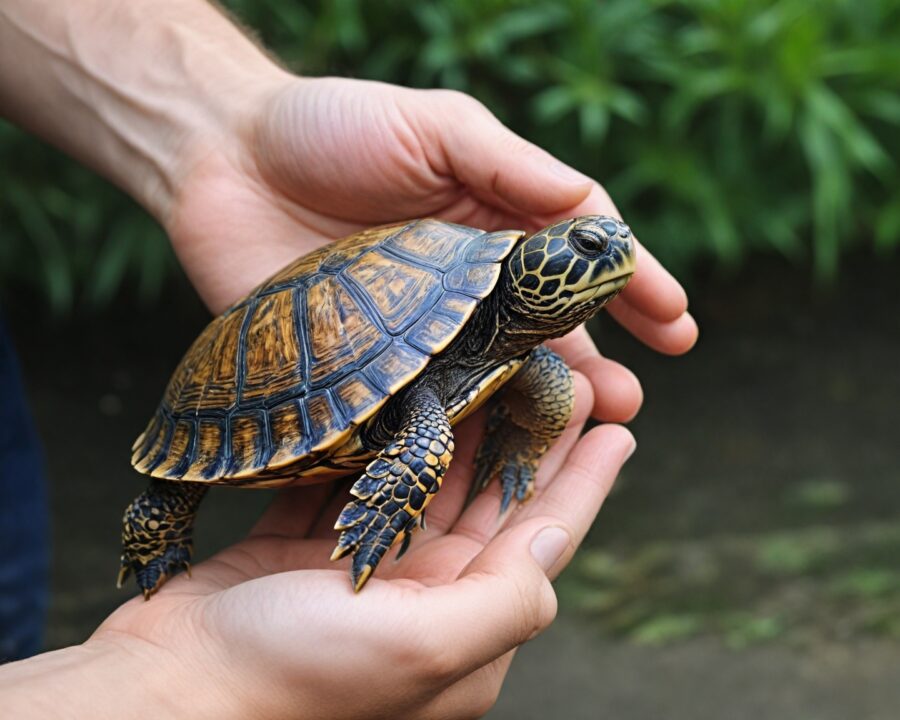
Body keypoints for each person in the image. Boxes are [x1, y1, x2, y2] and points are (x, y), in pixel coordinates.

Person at [0, 1, 697, 717]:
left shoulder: (516, 344)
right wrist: (194, 683)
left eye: (604, 247)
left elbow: (537, 387)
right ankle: (159, 521)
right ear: (532, 272)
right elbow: (422, 426)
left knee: (550, 386)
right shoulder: (455, 348)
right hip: (258, 384)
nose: (612, 252)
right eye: (586, 247)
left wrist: (232, 126)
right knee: (183, 494)